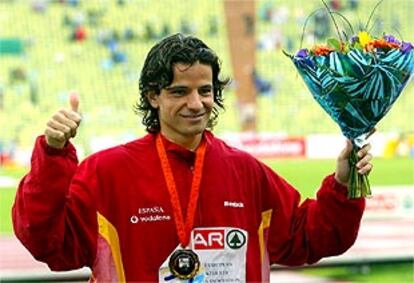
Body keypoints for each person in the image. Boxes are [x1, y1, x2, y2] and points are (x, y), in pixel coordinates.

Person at [12, 33, 373, 282]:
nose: (196, 103)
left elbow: (310, 237)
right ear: (154, 96)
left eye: (205, 91)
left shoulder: (244, 170)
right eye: (179, 92)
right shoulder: (107, 172)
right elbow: (49, 244)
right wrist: (53, 153)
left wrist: (343, 185)